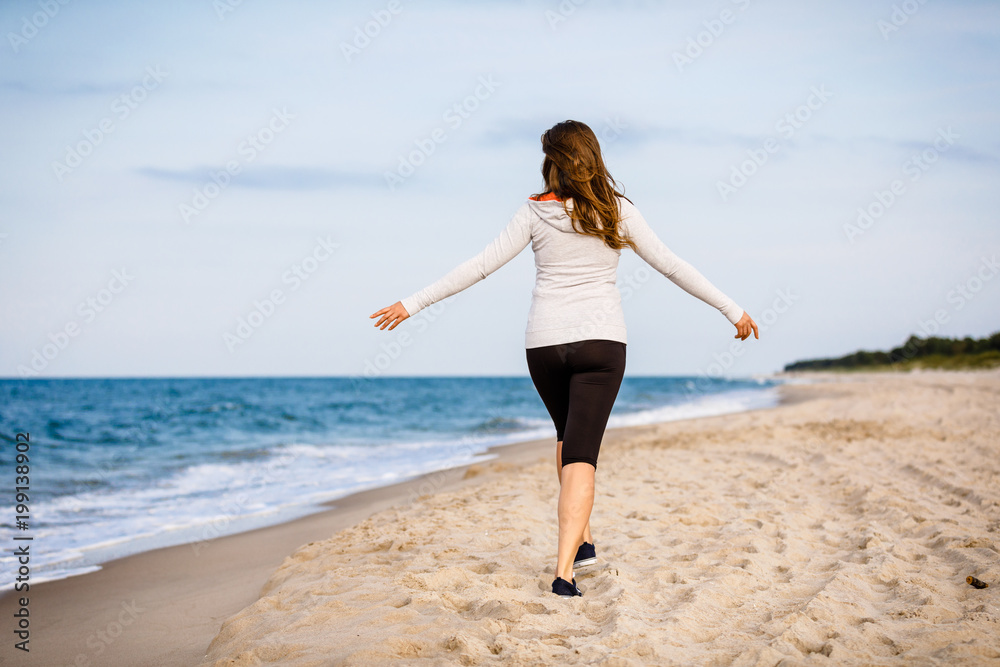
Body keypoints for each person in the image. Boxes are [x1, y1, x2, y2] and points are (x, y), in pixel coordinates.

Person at [370, 119, 758, 598]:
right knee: (581, 457)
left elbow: (480, 265)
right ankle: (563, 573)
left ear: (551, 161)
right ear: (593, 158)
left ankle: (586, 542)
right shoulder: (617, 211)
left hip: (544, 348)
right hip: (600, 346)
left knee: (567, 435)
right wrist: (732, 308)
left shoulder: (534, 212)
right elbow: (672, 265)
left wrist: (412, 303)